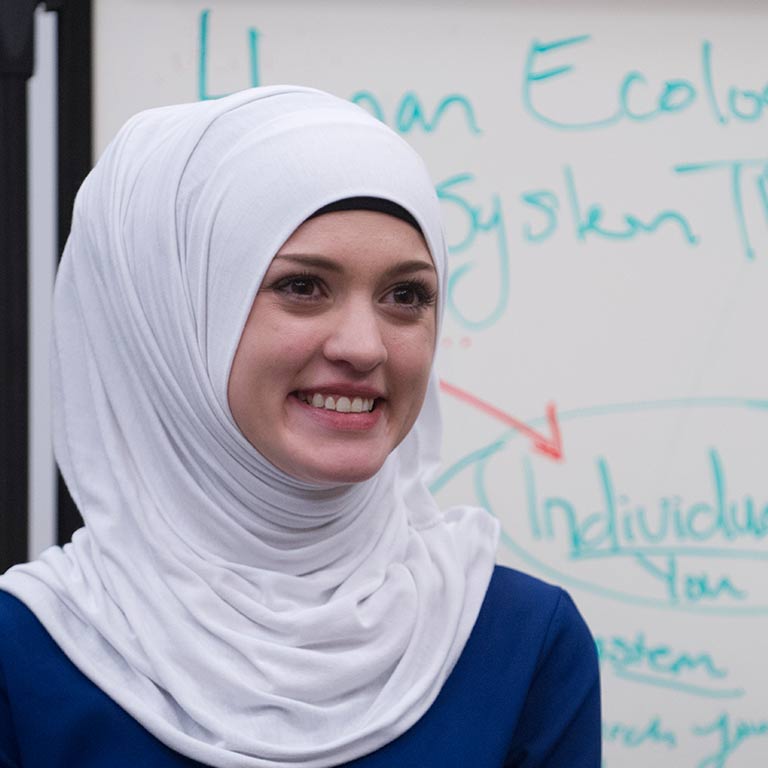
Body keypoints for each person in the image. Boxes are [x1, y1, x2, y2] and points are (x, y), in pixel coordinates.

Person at [0, 86, 600, 767]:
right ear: (173, 321)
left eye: (406, 296)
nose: (364, 347)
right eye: (303, 287)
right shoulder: (26, 655)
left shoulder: (518, 643)